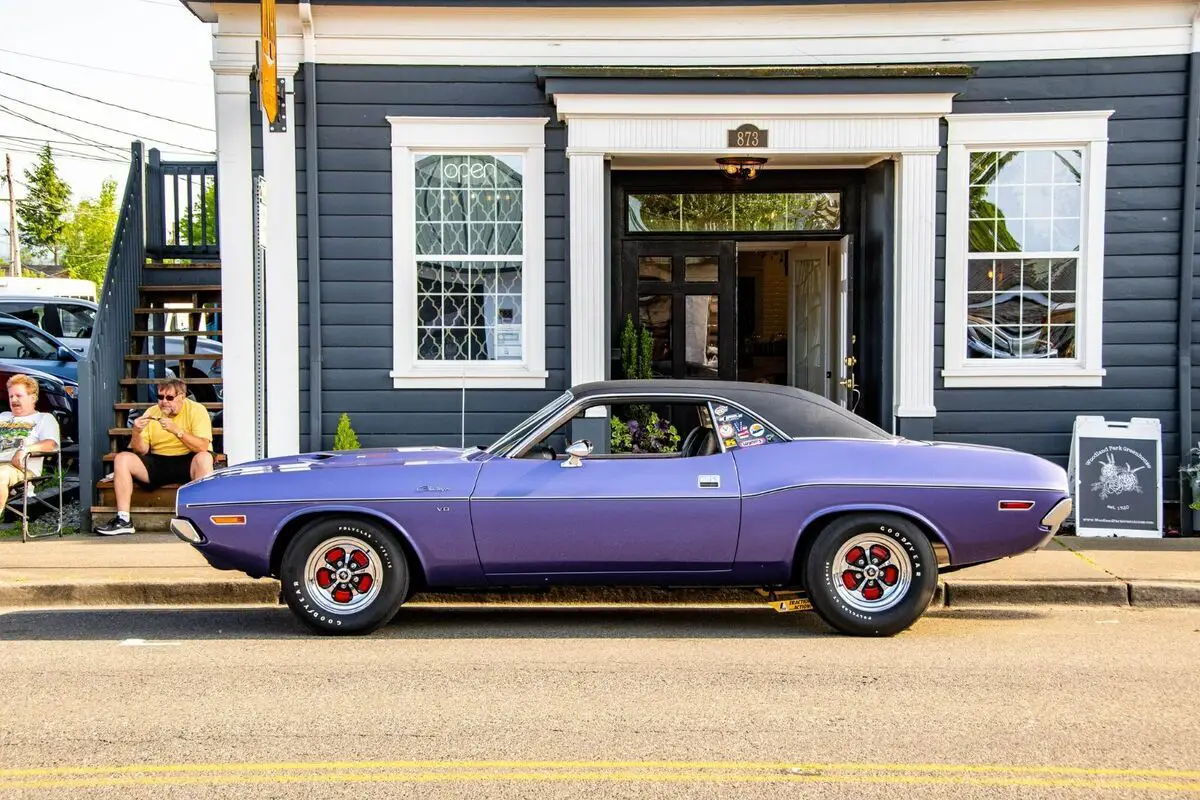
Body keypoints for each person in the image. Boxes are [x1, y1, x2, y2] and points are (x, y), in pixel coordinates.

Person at [93, 378, 214, 536]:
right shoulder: (151, 412)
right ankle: (123, 520)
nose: (164, 402)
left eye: (169, 398)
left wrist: (177, 431)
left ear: (182, 397)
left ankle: (200, 520)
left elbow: (202, 446)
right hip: (158, 461)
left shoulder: (197, 410)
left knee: (204, 458)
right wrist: (136, 432)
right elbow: (141, 451)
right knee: (122, 458)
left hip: (188, 459)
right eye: (160, 397)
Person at [0, 374, 60, 520]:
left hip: (20, 469)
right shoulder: (3, 416)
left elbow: (51, 444)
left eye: (18, 396)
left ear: (33, 398)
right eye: (11, 396)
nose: (13, 400)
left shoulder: (43, 419)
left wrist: (25, 450)